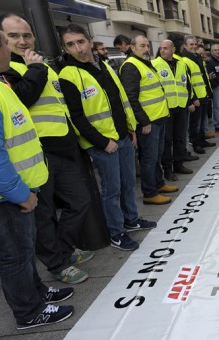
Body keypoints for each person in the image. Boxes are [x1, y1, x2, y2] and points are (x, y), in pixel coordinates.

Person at [0, 20, 74, 329]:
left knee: (23, 254)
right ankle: (29, 312)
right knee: (15, 257)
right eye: (6, 39)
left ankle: (37, 293)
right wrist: (20, 193)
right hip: (4, 197)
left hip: (15, 191)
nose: (14, 46)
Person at [0, 14, 93, 284]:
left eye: (27, 35)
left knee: (79, 201)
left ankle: (62, 249)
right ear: (1, 40)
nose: (22, 40)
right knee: (44, 214)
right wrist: (36, 70)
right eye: (13, 36)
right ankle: (57, 263)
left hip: (62, 146)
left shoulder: (40, 64)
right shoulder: (7, 68)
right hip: (37, 152)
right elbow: (22, 99)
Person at [58, 24, 156, 251]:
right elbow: (77, 117)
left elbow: (121, 99)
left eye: (81, 41)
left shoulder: (103, 65)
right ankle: (116, 232)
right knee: (112, 191)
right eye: (70, 44)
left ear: (90, 41)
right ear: (65, 48)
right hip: (104, 144)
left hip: (123, 136)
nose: (78, 48)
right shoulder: (68, 74)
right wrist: (103, 142)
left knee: (129, 184)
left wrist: (131, 128)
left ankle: (131, 220)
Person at [120, 35, 178, 205]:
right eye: (142, 45)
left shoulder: (145, 63)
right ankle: (149, 193)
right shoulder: (131, 66)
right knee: (148, 158)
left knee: (156, 156)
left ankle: (158, 184)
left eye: (147, 45)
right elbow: (131, 98)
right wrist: (143, 121)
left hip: (158, 118)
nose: (146, 49)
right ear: (132, 47)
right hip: (148, 123)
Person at [152, 40, 195, 182]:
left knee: (180, 137)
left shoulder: (181, 64)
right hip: (166, 109)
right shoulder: (155, 65)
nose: (162, 50)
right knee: (167, 140)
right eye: (161, 48)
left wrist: (189, 101)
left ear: (173, 49)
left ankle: (179, 164)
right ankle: (168, 169)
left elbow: (187, 84)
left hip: (180, 106)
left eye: (165, 48)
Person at [178, 35, 215, 152]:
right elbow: (187, 81)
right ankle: (196, 144)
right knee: (195, 123)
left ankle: (202, 140)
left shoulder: (197, 57)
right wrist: (193, 98)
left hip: (202, 95)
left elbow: (203, 77)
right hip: (196, 97)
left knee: (201, 121)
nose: (194, 47)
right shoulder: (184, 60)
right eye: (191, 45)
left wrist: (208, 93)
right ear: (185, 46)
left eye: (195, 44)